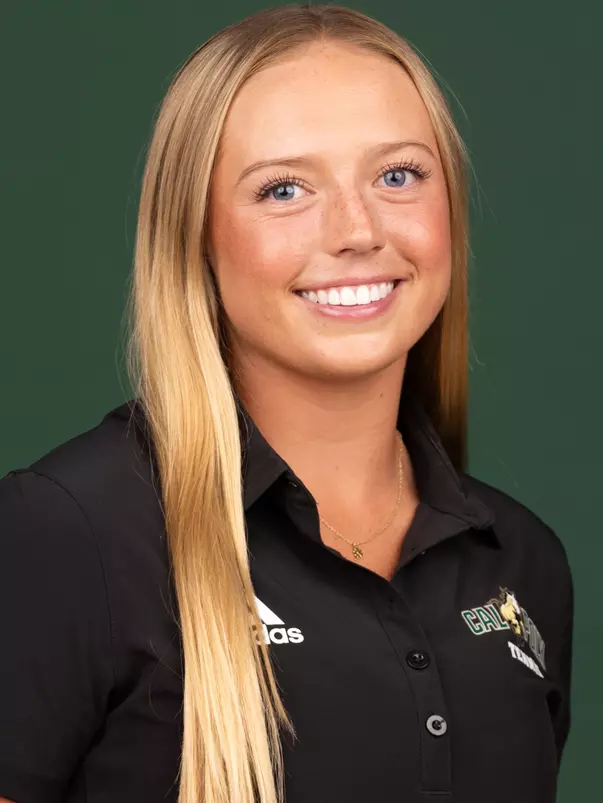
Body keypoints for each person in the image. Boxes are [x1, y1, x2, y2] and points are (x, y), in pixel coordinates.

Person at [0, 4, 573, 803]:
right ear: (195, 236)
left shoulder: (520, 563)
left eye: (398, 174)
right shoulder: (64, 533)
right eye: (283, 189)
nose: (356, 229)